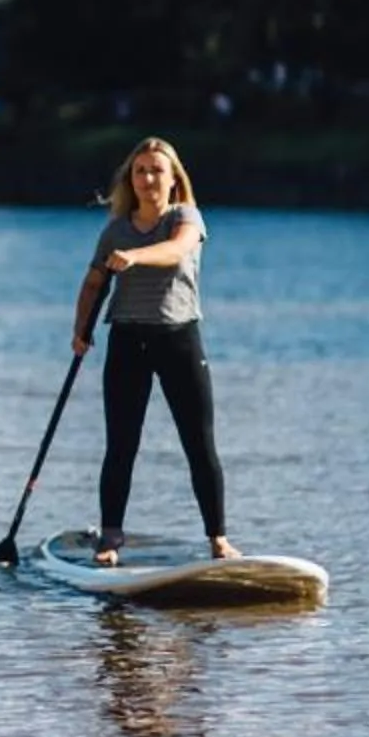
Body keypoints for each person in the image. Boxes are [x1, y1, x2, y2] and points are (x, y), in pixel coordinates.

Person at [71, 136, 238, 567]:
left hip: (179, 338)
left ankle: (218, 539)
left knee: (199, 444)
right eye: (140, 171)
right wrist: (80, 331)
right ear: (131, 179)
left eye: (156, 171)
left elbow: (177, 250)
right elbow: (93, 283)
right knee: (120, 445)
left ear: (173, 178)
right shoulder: (115, 230)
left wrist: (135, 257)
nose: (148, 178)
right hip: (127, 340)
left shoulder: (187, 217)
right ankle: (110, 539)